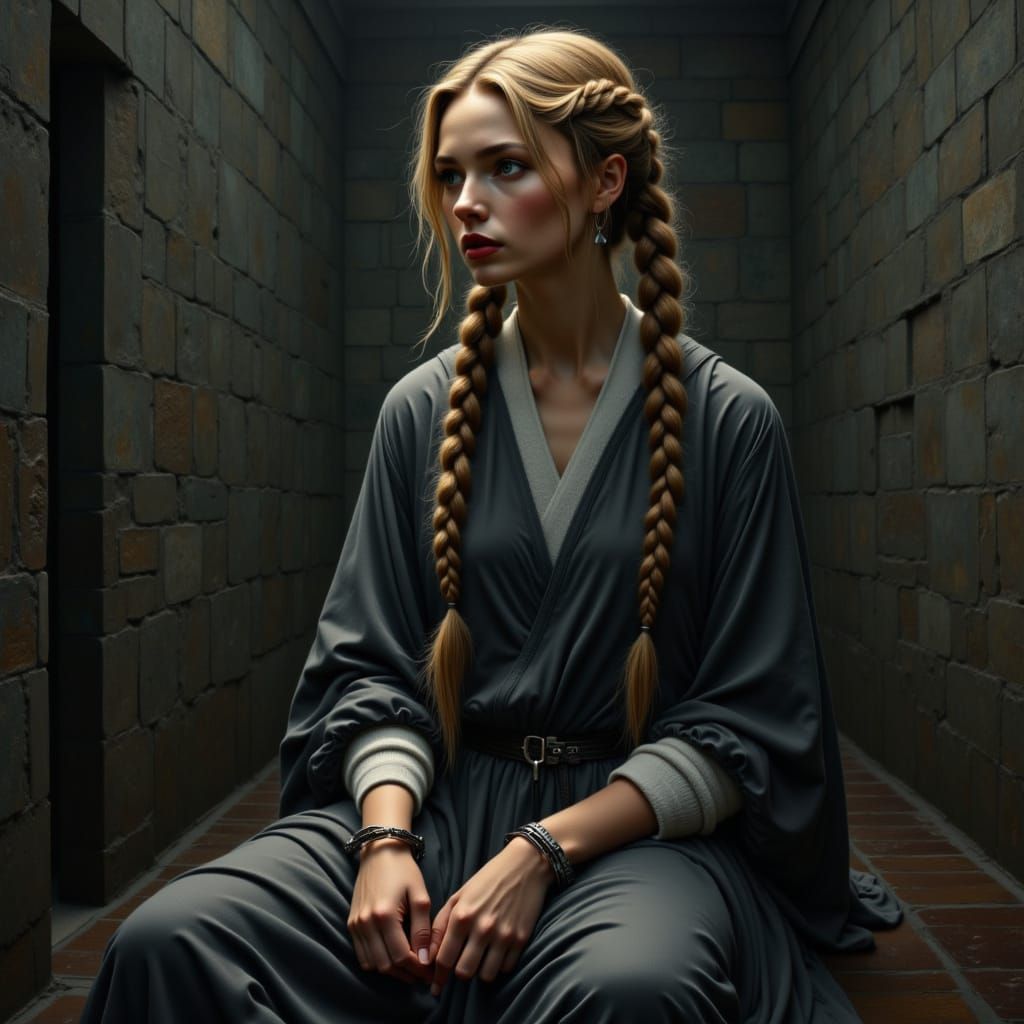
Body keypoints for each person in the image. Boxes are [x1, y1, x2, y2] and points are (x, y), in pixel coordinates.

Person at [80, 26, 900, 1023]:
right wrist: (382, 843)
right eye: (451, 174)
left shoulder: (730, 420)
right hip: (431, 801)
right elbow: (366, 669)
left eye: (505, 166)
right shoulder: (418, 413)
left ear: (604, 182)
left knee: (627, 990)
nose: (465, 202)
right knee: (175, 938)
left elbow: (751, 719)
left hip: (633, 832)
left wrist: (544, 850)